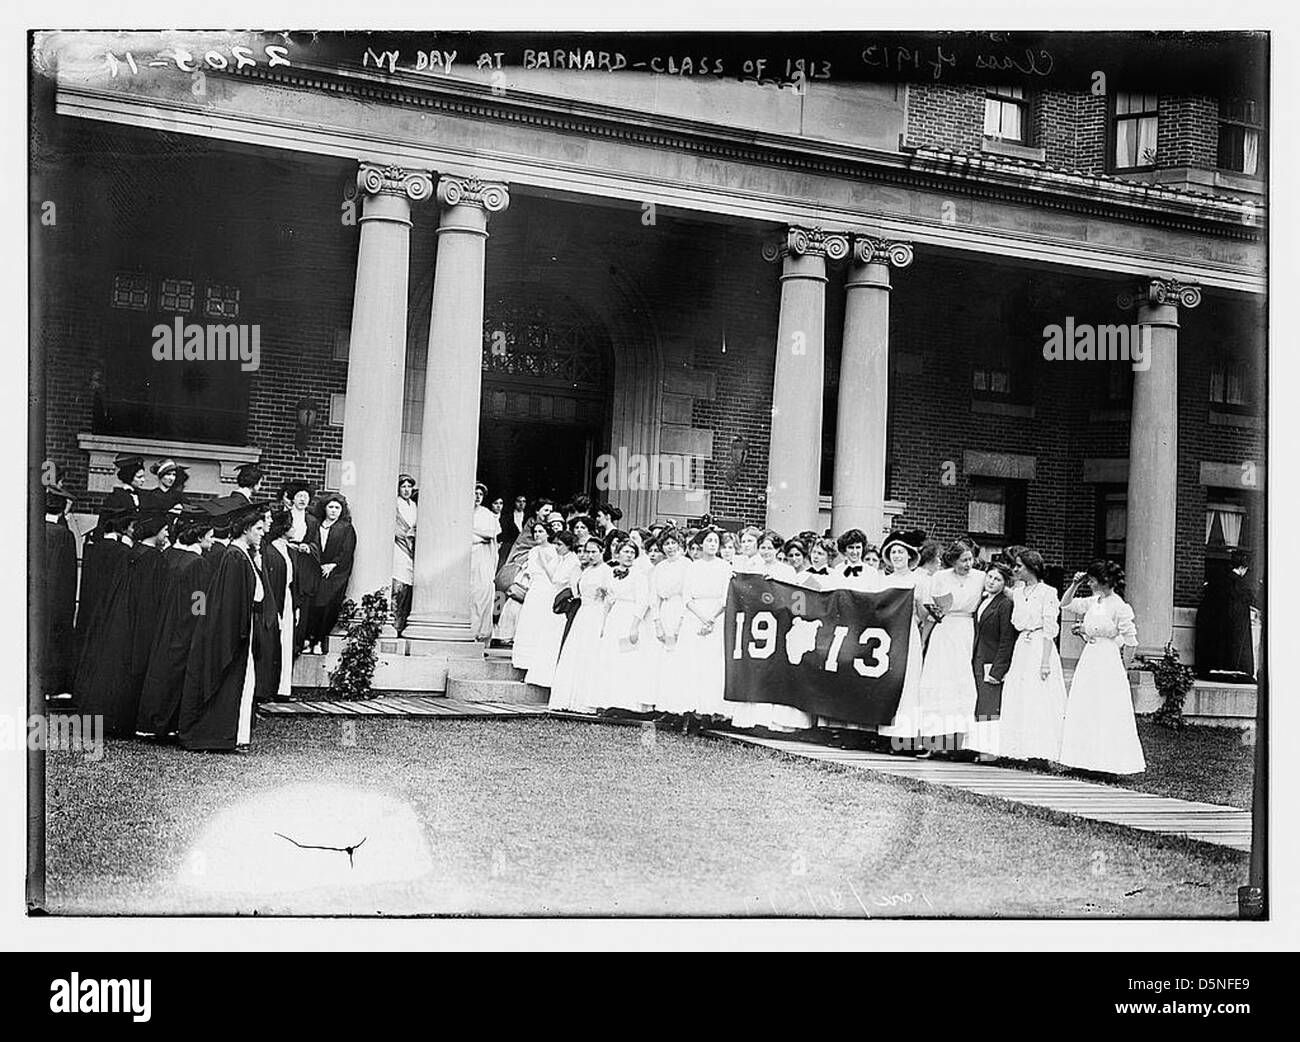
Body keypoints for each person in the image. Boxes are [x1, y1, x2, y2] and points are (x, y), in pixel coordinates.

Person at [73, 508, 172, 736]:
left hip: (119, 619)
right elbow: (152, 598)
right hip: (139, 621)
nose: (167, 535)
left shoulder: (132, 552)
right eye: (165, 530)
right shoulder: (155, 559)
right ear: (155, 531)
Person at [179, 503, 268, 752]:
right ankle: (223, 735)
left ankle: (235, 735)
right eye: (258, 528)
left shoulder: (242, 555)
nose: (262, 533)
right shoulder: (235, 556)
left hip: (244, 626)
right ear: (246, 529)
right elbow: (231, 600)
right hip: (236, 630)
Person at [136, 509, 218, 738]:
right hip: (183, 627)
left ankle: (149, 721)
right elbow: (198, 602)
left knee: (158, 671)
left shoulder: (169, 555)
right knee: (174, 675)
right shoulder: (199, 564)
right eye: (210, 536)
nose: (213, 540)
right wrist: (201, 626)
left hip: (162, 622)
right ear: (199, 537)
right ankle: (164, 723)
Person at [1058, 561, 1145, 775]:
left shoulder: (1119, 607)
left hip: (1108, 661)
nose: (1089, 582)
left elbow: (1131, 641)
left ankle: (1108, 765)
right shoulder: (1093, 601)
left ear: (1104, 581)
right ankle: (1083, 762)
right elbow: (1065, 604)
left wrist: (1122, 669)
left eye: (1092, 579)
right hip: (1090, 659)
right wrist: (1075, 584)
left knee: (1106, 710)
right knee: (1086, 706)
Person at [730, 530, 815, 733]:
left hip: (779, 625)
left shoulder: (786, 571)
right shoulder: (752, 567)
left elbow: (796, 602)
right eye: (763, 547)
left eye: (770, 547)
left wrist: (775, 584)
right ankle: (754, 720)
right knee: (757, 670)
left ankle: (775, 722)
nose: (766, 551)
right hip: (757, 628)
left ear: (778, 550)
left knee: (774, 672)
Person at [910, 539, 984, 757]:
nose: (968, 564)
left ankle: (959, 744)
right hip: (944, 630)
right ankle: (932, 742)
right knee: (938, 681)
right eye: (963, 560)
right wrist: (925, 638)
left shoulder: (980, 578)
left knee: (961, 683)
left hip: (966, 630)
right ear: (952, 560)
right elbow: (931, 610)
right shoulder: (940, 577)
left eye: (970, 559)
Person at [996, 549, 1069, 763]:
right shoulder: (1018, 593)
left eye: (1019, 566)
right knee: (1019, 695)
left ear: (1032, 568)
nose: (1015, 569)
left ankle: (1041, 753)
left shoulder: (1048, 592)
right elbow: (1002, 586)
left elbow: (1049, 627)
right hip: (1022, 647)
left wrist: (1045, 662)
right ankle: (1017, 751)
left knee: (1039, 697)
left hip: (1039, 647)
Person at [874, 531, 928, 752]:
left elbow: (924, 614)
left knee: (909, 682)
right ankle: (887, 736)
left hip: (909, 633)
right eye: (893, 552)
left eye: (901, 552)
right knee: (890, 682)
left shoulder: (918, 580)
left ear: (909, 556)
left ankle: (906, 736)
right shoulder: (884, 581)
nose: (897, 556)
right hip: (888, 635)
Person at [675, 528, 733, 724]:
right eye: (708, 541)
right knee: (692, 664)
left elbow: (726, 597)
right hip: (694, 616)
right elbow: (687, 596)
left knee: (711, 666)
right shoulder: (693, 567)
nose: (712, 544)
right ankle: (690, 712)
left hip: (716, 617)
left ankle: (708, 712)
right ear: (701, 544)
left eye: (716, 541)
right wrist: (702, 618)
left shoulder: (725, 567)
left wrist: (711, 619)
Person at [549, 537, 612, 713]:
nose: (590, 555)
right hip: (582, 614)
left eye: (594, 552)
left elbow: (610, 597)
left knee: (590, 654)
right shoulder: (585, 571)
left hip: (597, 613)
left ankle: (587, 701)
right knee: (575, 653)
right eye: (587, 552)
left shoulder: (606, 571)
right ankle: (568, 699)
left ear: (602, 551)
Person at [595, 540, 656, 714]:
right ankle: (611, 701)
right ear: (618, 554)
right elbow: (608, 599)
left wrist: (634, 626)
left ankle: (628, 704)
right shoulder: (610, 574)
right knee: (611, 659)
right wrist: (604, 623)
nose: (628, 555)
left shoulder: (639, 576)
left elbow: (643, 602)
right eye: (625, 552)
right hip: (615, 618)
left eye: (631, 552)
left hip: (630, 619)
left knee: (628, 660)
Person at [965, 562, 1017, 762]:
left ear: (1005, 584)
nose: (992, 582)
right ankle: (979, 747)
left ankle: (989, 752)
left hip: (992, 661)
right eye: (990, 577)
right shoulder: (984, 600)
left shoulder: (1005, 604)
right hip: (978, 658)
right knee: (979, 705)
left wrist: (998, 669)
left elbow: (1006, 638)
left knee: (989, 706)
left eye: (997, 580)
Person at [523, 530, 582, 687]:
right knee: (547, 638)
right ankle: (541, 677)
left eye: (559, 544)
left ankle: (552, 678)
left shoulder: (574, 562)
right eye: (555, 544)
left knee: (555, 639)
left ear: (568, 545)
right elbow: (554, 578)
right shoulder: (562, 560)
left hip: (563, 606)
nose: (556, 547)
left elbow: (575, 589)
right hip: (553, 602)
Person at [1194, 549, 1259, 682]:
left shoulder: (1219, 581)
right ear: (1242, 567)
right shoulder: (1241, 585)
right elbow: (1252, 601)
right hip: (1235, 629)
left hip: (1218, 629)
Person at [304, 493, 356, 654]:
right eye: (331, 507)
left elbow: (347, 550)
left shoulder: (346, 528)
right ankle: (308, 640)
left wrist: (332, 565)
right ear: (325, 508)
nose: (334, 511)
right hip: (315, 570)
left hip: (334, 574)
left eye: (337, 508)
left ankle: (319, 639)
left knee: (325, 606)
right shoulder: (316, 525)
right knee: (311, 606)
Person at [42, 481, 78, 699]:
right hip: (57, 598)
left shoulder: (35, 529)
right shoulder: (64, 535)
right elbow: (67, 573)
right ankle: (51, 687)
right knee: (54, 641)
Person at [649, 528, 691, 714]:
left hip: (680, 610)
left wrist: (680, 624)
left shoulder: (687, 565)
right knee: (661, 660)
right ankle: (663, 707)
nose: (670, 547)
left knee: (678, 659)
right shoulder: (660, 567)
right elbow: (654, 597)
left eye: (673, 543)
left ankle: (679, 710)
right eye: (666, 544)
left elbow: (688, 595)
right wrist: (657, 622)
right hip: (664, 611)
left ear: (680, 545)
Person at [256, 508, 295, 702]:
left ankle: (282, 687)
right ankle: (269, 688)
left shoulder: (287, 549)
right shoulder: (271, 552)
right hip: (276, 601)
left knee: (285, 642)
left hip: (286, 599)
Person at [512, 522, 560, 670]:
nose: (537, 534)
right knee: (529, 621)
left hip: (547, 589)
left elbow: (554, 574)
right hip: (534, 589)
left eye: (541, 531)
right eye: (535, 532)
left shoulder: (554, 550)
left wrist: (544, 561)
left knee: (542, 622)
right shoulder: (532, 551)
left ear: (548, 533)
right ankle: (524, 661)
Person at [282, 480, 320, 652]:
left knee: (302, 600)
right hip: (287, 554)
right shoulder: (284, 516)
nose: (303, 500)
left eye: (306, 497)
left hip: (303, 562)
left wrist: (308, 547)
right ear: (293, 498)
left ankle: (297, 642)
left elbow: (316, 543)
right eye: (299, 496)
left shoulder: (312, 521)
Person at [470, 483, 502, 641]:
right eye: (474, 493)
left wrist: (471, 532)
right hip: (469, 560)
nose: (477, 497)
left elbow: (490, 534)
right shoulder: (464, 512)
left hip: (482, 560)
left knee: (481, 594)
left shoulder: (486, 514)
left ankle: (480, 634)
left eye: (480, 494)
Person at [392, 474, 418, 636]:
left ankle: (401, 624)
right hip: (398, 547)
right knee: (398, 585)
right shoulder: (395, 504)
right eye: (403, 486)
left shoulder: (414, 506)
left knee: (408, 588)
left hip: (411, 548)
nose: (407, 490)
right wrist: (406, 535)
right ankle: (393, 623)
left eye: (409, 486)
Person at [499, 494, 530, 572]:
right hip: (509, 545)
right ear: (514, 502)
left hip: (523, 546)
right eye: (519, 501)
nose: (521, 504)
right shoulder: (507, 517)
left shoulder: (528, 518)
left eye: (523, 502)